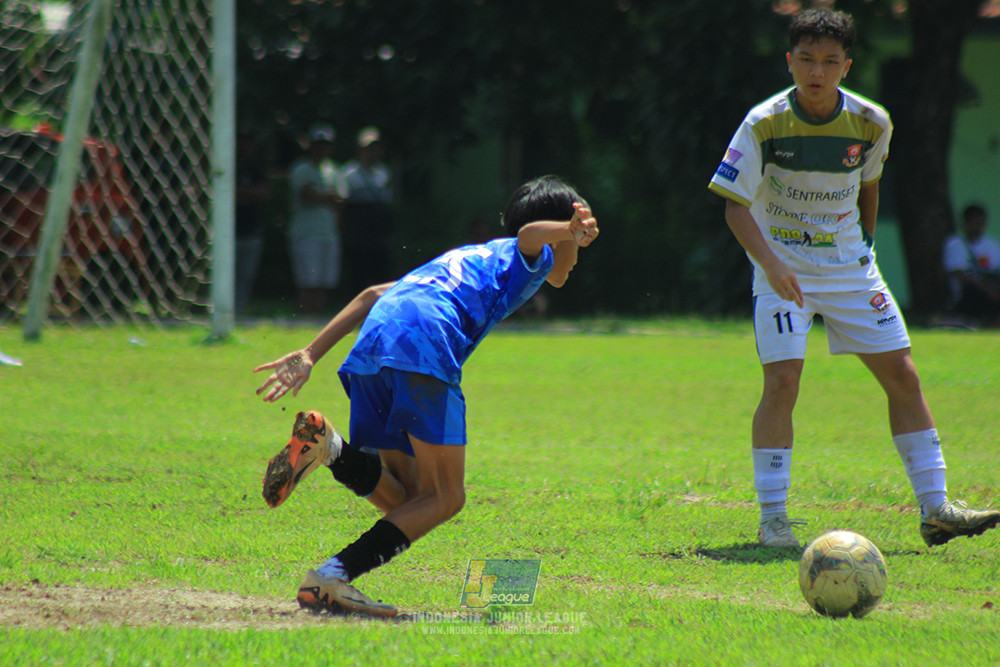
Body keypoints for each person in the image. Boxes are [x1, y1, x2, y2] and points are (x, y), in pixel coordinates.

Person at [707, 9, 999, 549]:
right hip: (783, 268)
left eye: (830, 61)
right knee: (783, 381)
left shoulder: (872, 122)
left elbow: (871, 183)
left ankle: (937, 509)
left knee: (904, 377)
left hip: (849, 270)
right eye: (807, 60)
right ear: (790, 61)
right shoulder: (763, 123)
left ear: (846, 65)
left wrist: (862, 242)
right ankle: (773, 519)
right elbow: (733, 206)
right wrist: (772, 265)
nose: (817, 71)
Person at [253, 175, 599, 616]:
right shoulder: (528, 254)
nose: (583, 244)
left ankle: (330, 448)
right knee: (447, 497)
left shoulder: (472, 255)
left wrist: (309, 353)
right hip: (423, 346)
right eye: (579, 229)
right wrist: (569, 231)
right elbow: (530, 236)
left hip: (374, 346)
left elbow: (374, 294)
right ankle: (331, 578)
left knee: (410, 498)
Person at [288, 124, 345, 316]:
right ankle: (304, 317)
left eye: (326, 145)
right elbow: (307, 195)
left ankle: (316, 318)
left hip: (329, 233)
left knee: (324, 281)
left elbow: (341, 199)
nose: (322, 149)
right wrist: (327, 196)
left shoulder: (335, 170)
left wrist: (323, 195)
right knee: (307, 281)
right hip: (306, 233)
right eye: (318, 145)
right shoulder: (301, 169)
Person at [341, 127, 395, 295]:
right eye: (369, 148)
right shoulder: (349, 173)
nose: (373, 152)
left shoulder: (384, 173)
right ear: (360, 149)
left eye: (376, 148)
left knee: (383, 272)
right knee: (359, 273)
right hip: (358, 229)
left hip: (379, 230)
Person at [942, 204, 1000, 326]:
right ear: (965, 223)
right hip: (967, 294)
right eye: (974, 223)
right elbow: (960, 275)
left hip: (991, 287)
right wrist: (989, 291)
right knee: (972, 292)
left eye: (981, 223)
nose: (978, 227)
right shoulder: (955, 245)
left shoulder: (992, 245)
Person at [235, 129, 271, 313]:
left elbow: (264, 193)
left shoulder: (256, 169)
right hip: (228, 235)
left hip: (252, 232)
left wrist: (241, 193)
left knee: (245, 276)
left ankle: (238, 311)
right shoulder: (226, 168)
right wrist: (249, 194)